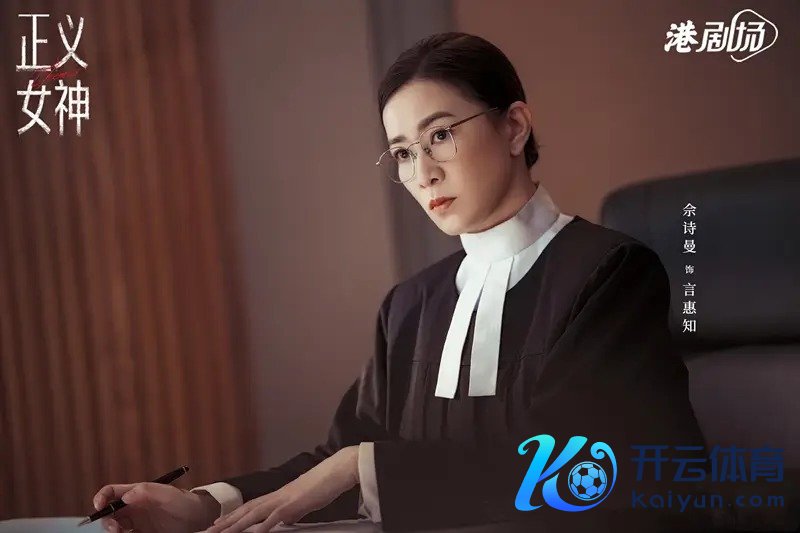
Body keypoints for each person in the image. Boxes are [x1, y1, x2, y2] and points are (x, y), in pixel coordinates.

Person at [92, 32, 709, 533]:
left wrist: (362, 466)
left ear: (515, 127)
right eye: (404, 153)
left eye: (440, 135)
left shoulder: (610, 273)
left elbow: (583, 472)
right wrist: (204, 505)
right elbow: (335, 466)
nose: (424, 172)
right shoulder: (411, 306)